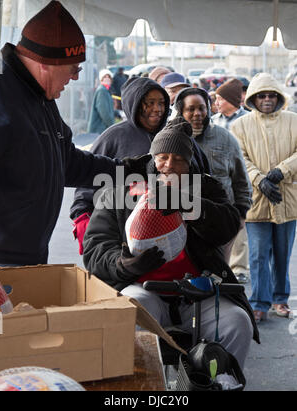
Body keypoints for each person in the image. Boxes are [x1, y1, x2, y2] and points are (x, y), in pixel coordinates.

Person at [82, 117, 259, 369]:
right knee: (129, 314)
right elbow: (95, 247)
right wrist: (125, 266)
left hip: (197, 292)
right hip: (143, 287)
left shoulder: (206, 187)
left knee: (238, 322)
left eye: (179, 159)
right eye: (162, 157)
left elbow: (228, 226)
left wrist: (190, 205)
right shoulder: (121, 190)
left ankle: (220, 381)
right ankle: (145, 385)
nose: (169, 165)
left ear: (190, 163)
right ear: (152, 157)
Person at [0, 0, 149, 267]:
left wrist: (128, 171)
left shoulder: (42, 98)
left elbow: (69, 164)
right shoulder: (2, 98)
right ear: (46, 63)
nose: (76, 77)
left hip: (31, 260)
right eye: (73, 68)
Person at [70, 76, 172, 254]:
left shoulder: (172, 137)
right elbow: (86, 182)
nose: (157, 109)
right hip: (115, 236)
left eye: (161, 103)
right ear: (135, 103)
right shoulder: (113, 137)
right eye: (149, 103)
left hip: (164, 235)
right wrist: (82, 220)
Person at [231, 73, 297, 322]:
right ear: (253, 99)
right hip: (256, 200)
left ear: (279, 97)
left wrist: (282, 171)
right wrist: (259, 179)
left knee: (282, 253)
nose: (267, 100)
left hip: (286, 197)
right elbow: (240, 158)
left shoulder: (294, 121)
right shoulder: (240, 126)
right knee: (258, 254)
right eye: (262, 96)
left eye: (271, 95)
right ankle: (259, 301)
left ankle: (280, 299)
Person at [174, 87, 252, 268]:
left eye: (202, 108)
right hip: (181, 224)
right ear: (180, 111)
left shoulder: (226, 139)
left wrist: (240, 216)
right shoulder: (170, 140)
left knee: (218, 278)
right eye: (191, 109)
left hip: (220, 224)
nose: (197, 114)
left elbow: (241, 181)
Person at [212, 79, 250, 284]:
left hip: (240, 177)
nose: (217, 102)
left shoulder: (247, 120)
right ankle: (218, 265)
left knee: (239, 225)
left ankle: (239, 267)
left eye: (221, 98)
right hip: (219, 179)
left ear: (232, 100)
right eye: (216, 98)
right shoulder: (213, 121)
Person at [87, 68, 115, 134]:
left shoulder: (106, 91)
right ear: (101, 79)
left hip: (102, 129)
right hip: (99, 129)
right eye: (105, 77)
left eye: (109, 77)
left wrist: (118, 113)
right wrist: (112, 126)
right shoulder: (102, 91)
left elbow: (108, 109)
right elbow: (104, 112)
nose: (107, 79)